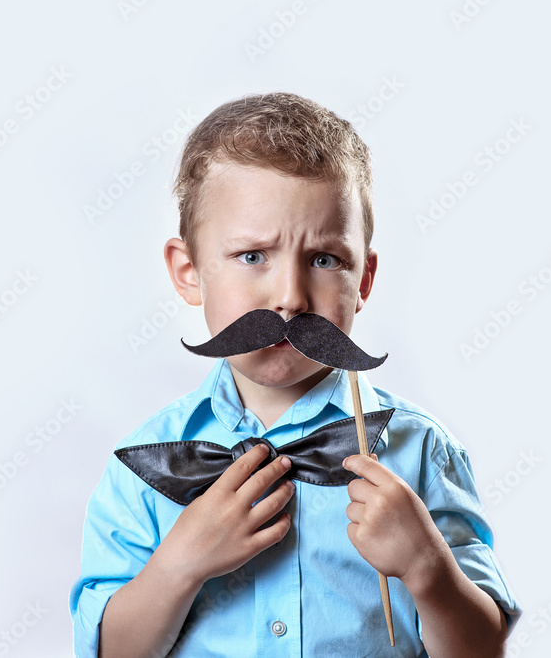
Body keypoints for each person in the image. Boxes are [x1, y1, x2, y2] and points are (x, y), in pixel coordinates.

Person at [69, 92, 520, 657]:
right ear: (188, 273)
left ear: (364, 280)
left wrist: (429, 570)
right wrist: (179, 566)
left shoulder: (420, 449)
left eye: (325, 259)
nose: (288, 297)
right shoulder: (146, 463)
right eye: (253, 255)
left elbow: (485, 651)